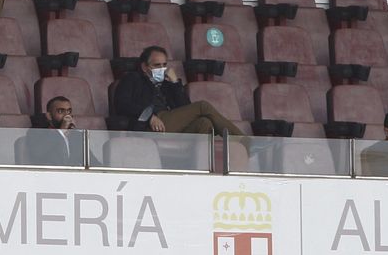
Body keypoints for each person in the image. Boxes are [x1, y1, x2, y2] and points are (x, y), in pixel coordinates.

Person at [110, 46, 243, 137]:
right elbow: (122, 104)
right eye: (157, 65)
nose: (162, 69)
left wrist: (175, 83)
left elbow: (185, 108)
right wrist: (149, 116)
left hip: (171, 124)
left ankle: (201, 169)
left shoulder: (166, 84)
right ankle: (243, 141)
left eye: (164, 65)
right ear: (144, 67)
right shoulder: (133, 78)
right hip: (150, 125)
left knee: (204, 123)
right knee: (203, 106)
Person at [24, 95, 81, 167]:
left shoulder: (78, 136)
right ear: (49, 116)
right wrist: (61, 131)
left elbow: (94, 164)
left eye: (69, 111)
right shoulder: (36, 132)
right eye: (61, 111)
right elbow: (37, 153)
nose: (67, 116)